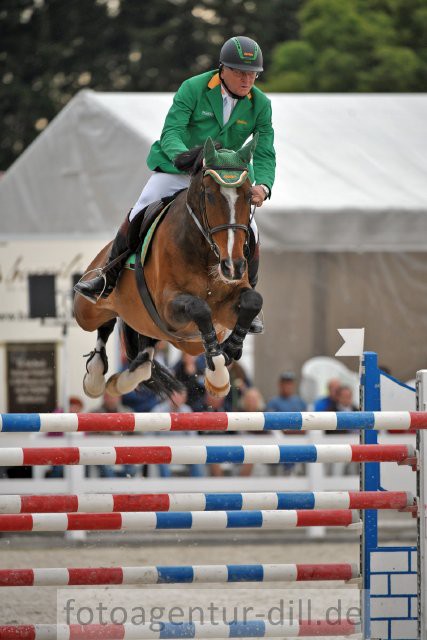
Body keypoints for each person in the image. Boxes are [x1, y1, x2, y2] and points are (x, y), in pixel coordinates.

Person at [75, 36, 276, 334]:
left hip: (223, 178)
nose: (248, 80)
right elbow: (172, 132)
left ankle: (246, 298)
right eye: (240, 72)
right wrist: (185, 158)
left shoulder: (260, 104)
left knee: (251, 229)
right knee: (143, 207)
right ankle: (108, 275)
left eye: (253, 74)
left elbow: (265, 150)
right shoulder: (193, 89)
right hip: (180, 167)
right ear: (222, 69)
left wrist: (264, 186)